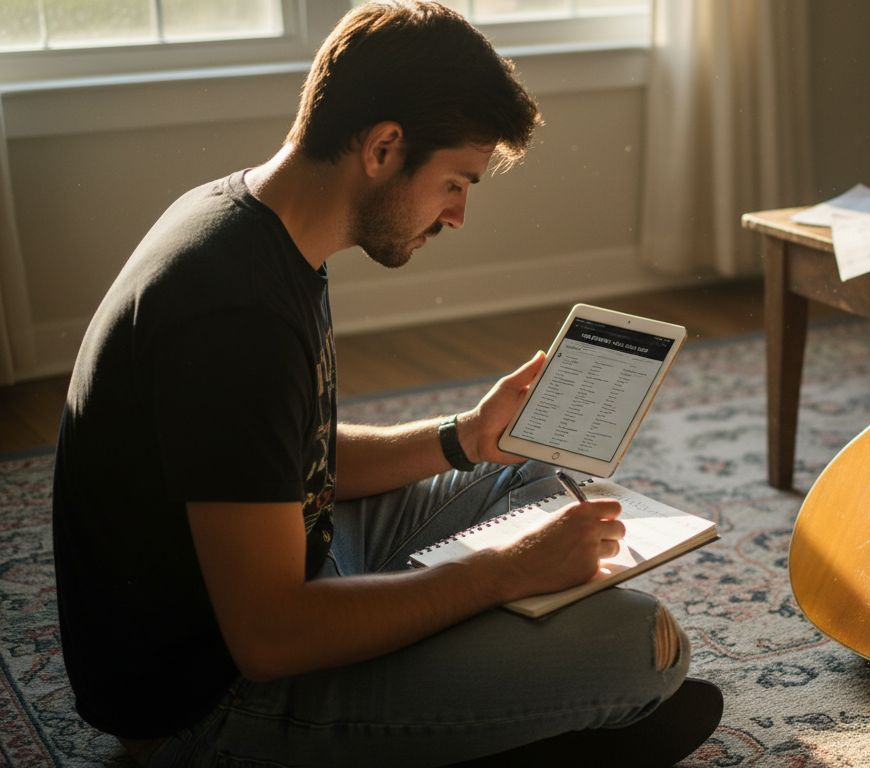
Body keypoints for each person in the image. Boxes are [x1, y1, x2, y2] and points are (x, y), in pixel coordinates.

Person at [49, 2, 722, 765]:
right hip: (209, 703)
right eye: (455, 183)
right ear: (383, 148)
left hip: (291, 576)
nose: (458, 214)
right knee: (641, 645)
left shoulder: (247, 223)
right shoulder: (236, 313)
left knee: (527, 471)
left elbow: (288, 456)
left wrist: (465, 437)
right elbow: (269, 638)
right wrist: (504, 574)